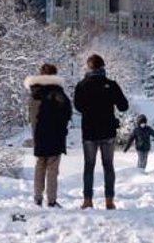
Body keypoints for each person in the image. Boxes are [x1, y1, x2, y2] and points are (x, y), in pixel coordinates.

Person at [73, 54, 130, 210]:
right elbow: (124, 106)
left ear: (88, 67)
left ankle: (87, 200)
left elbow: (77, 106)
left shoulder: (81, 85)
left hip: (89, 131)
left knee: (89, 166)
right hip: (107, 131)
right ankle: (109, 200)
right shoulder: (111, 85)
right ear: (103, 67)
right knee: (108, 166)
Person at [25, 63, 73, 207]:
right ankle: (51, 200)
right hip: (55, 135)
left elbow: (31, 115)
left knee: (39, 165)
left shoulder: (34, 94)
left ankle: (37, 198)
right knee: (52, 168)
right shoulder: (59, 93)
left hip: (39, 135)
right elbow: (67, 113)